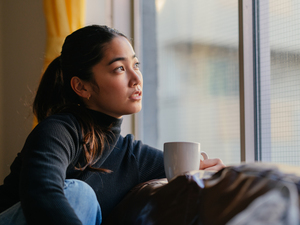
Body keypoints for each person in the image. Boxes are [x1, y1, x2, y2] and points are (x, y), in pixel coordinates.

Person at [0, 25, 225, 225]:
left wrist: (212, 173)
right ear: (82, 87)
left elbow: (186, 171)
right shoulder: (59, 130)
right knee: (79, 194)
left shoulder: (131, 156)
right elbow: (40, 191)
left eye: (135, 64)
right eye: (119, 68)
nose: (136, 78)